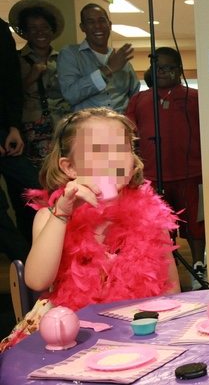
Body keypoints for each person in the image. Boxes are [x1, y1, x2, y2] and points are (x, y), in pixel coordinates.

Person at [0, 107, 181, 352]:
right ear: (69, 167)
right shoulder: (51, 216)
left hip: (136, 332)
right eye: (98, 150)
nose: (113, 158)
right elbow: (36, 280)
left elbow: (171, 289)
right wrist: (62, 214)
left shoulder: (150, 216)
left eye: (122, 148)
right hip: (71, 335)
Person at [126, 47, 206, 290]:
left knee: (195, 225)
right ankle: (167, 269)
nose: (164, 72)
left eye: (170, 67)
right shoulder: (139, 99)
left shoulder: (194, 97)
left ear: (179, 70)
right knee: (160, 227)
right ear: (152, 70)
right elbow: (128, 132)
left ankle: (199, 266)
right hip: (153, 175)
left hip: (191, 173)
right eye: (159, 68)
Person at [9, 0, 71, 166]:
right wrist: (31, 76)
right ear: (26, 32)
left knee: (65, 172)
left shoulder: (64, 59)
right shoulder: (16, 60)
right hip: (32, 128)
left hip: (62, 125)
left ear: (52, 30)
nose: (40, 32)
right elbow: (10, 95)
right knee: (39, 178)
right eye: (33, 28)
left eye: (44, 27)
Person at [57, 3, 139, 113]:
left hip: (121, 125)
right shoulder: (70, 54)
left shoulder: (121, 59)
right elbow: (71, 95)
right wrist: (108, 69)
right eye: (90, 22)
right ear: (83, 27)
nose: (97, 26)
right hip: (87, 125)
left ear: (109, 24)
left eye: (101, 20)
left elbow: (135, 98)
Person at [0, 15, 35, 261]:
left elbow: (10, 80)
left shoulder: (1, 30)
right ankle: (26, 267)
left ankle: (44, 260)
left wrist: (14, 125)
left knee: (35, 191)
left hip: (6, 130)